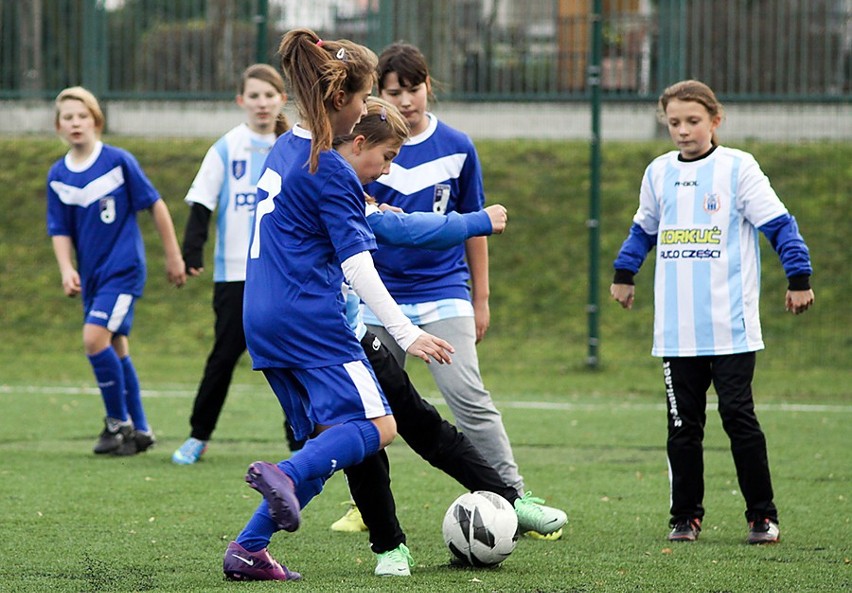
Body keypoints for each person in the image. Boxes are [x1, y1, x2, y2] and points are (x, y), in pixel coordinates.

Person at [222, 29, 453, 582]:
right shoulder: (332, 169)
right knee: (379, 426)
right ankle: (282, 472)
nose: (370, 107)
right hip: (311, 318)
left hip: (261, 316)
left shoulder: (285, 146)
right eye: (366, 96)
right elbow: (357, 267)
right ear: (341, 101)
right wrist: (408, 332)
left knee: (333, 440)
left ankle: (249, 548)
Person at [329, 97, 567, 577]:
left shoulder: (345, 182)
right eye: (389, 156)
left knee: (417, 420)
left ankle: (511, 500)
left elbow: (391, 222)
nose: (391, 167)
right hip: (318, 336)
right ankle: (386, 545)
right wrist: (478, 220)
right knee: (361, 436)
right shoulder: (326, 182)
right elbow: (401, 233)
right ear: (357, 140)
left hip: (351, 327)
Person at [609, 79, 814, 545]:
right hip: (677, 330)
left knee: (739, 420)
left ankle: (762, 516)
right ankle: (685, 517)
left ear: (715, 121)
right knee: (682, 427)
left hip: (730, 327)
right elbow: (644, 229)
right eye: (674, 122)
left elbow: (779, 225)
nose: (682, 131)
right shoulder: (658, 172)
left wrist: (798, 277)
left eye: (692, 121)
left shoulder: (738, 168)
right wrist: (625, 274)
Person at [46, 86, 186, 456]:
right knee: (116, 346)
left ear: (96, 121)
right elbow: (59, 229)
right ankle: (140, 430)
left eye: (82, 116)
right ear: (58, 126)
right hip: (92, 275)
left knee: (93, 339)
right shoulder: (58, 175)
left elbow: (155, 205)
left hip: (122, 270)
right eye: (68, 118)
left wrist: (173, 257)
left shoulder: (118, 161)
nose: (76, 123)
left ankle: (116, 423)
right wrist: (66, 269)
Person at [172, 64, 298, 465]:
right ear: (241, 100)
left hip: (283, 272)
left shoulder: (294, 145)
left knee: (289, 357)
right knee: (224, 356)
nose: (262, 103)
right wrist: (192, 252)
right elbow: (202, 202)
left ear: (282, 99)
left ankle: (298, 440)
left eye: (270, 95)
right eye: (255, 96)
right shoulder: (227, 148)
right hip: (236, 274)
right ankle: (198, 435)